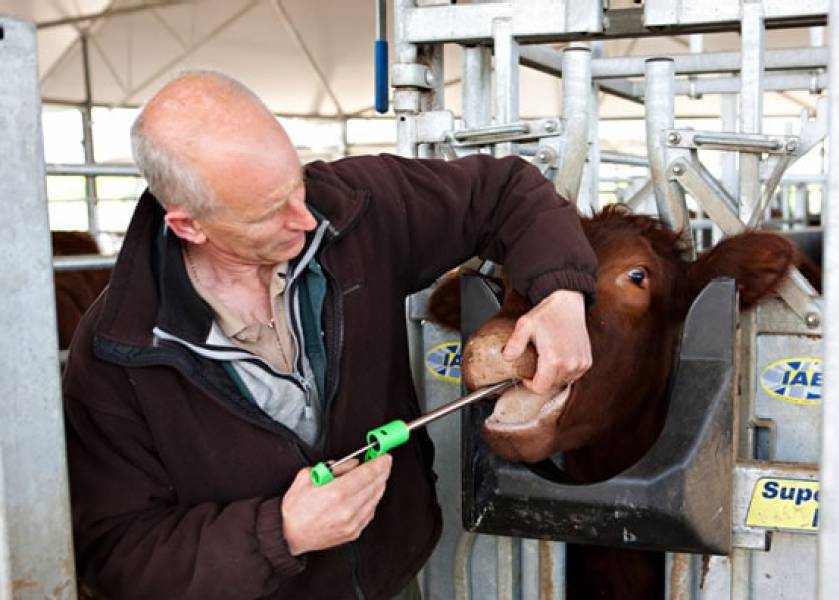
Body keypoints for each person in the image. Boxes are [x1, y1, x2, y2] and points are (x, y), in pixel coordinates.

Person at [63, 71, 597, 600]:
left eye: (294, 182)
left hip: (394, 572)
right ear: (189, 226)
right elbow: (116, 551)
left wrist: (560, 293)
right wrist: (280, 533)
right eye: (271, 211)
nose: (305, 218)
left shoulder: (352, 206)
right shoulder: (119, 354)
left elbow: (503, 191)